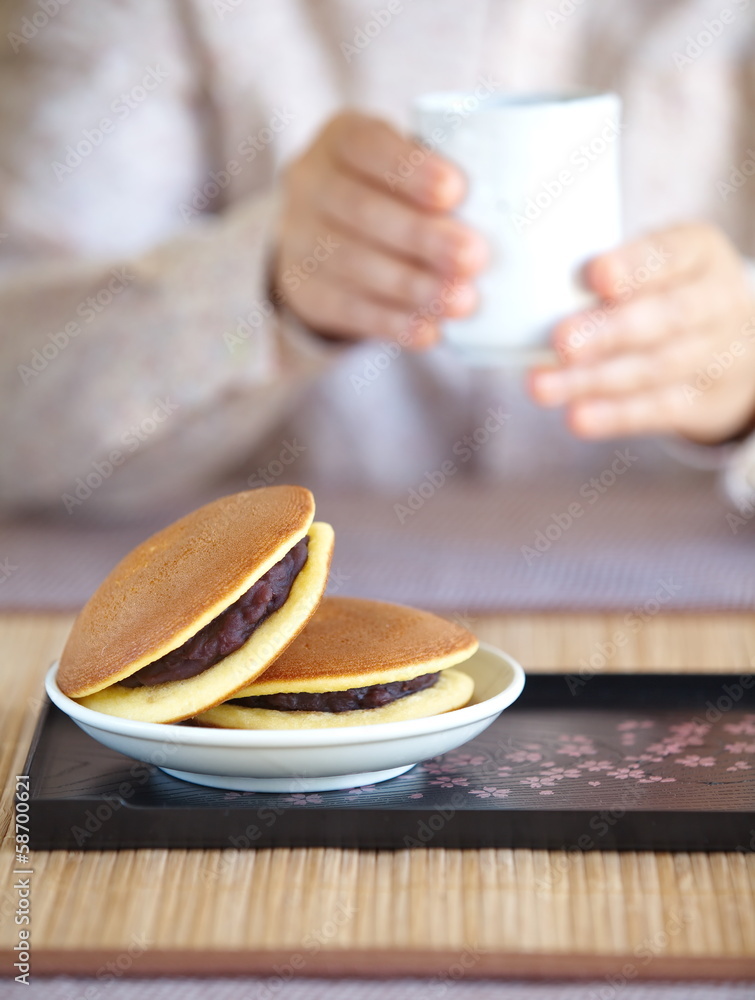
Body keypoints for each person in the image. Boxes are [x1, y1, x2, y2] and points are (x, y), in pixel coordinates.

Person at [1, 0, 754, 520]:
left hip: (678, 645)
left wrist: (742, 385)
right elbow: (16, 410)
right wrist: (258, 290)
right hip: (273, 641)